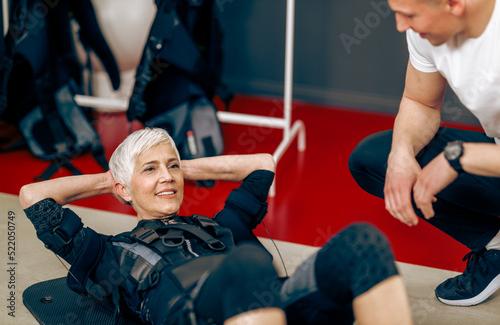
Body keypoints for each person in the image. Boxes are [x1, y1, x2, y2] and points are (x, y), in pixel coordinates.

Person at [20, 127, 412, 325]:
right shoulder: (107, 251)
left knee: (362, 242)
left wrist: (177, 166)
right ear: (123, 188)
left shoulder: (220, 225)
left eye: (172, 167)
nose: (167, 177)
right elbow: (33, 197)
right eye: (151, 170)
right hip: (193, 314)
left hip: (268, 302)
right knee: (245, 266)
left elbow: (263, 164)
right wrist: (111, 179)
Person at [349, 0, 500, 308]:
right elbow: (421, 101)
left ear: (454, 3)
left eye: (409, 15)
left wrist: (459, 158)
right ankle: (497, 247)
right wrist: (402, 154)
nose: (400, 26)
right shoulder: (429, 32)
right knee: (373, 160)